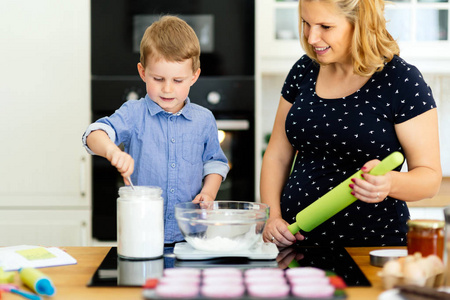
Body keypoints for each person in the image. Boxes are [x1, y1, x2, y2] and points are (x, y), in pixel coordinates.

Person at [261, 0, 442, 248]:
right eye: (306, 23)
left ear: (360, 24)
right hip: (296, 244)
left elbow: (430, 179)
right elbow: (277, 155)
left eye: (325, 26)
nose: (312, 38)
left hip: (371, 247)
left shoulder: (401, 81)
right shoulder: (304, 69)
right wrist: (273, 217)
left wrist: (389, 183)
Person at [82, 16, 229, 243]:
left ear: (194, 76)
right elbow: (94, 134)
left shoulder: (204, 119)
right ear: (143, 73)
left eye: (178, 80)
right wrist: (112, 151)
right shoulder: (133, 114)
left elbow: (215, 163)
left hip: (191, 237)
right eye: (158, 78)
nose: (167, 89)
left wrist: (208, 193)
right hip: (141, 236)